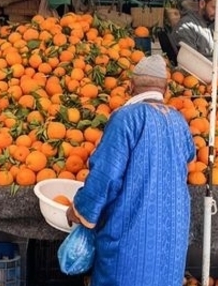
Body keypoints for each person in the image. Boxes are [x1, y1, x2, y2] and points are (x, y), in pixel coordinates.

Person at [65, 55, 195, 286]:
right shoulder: (179, 121)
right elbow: (189, 163)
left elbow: (106, 176)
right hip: (171, 239)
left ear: (130, 86)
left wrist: (80, 209)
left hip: (132, 235)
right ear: (165, 88)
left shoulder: (125, 119)